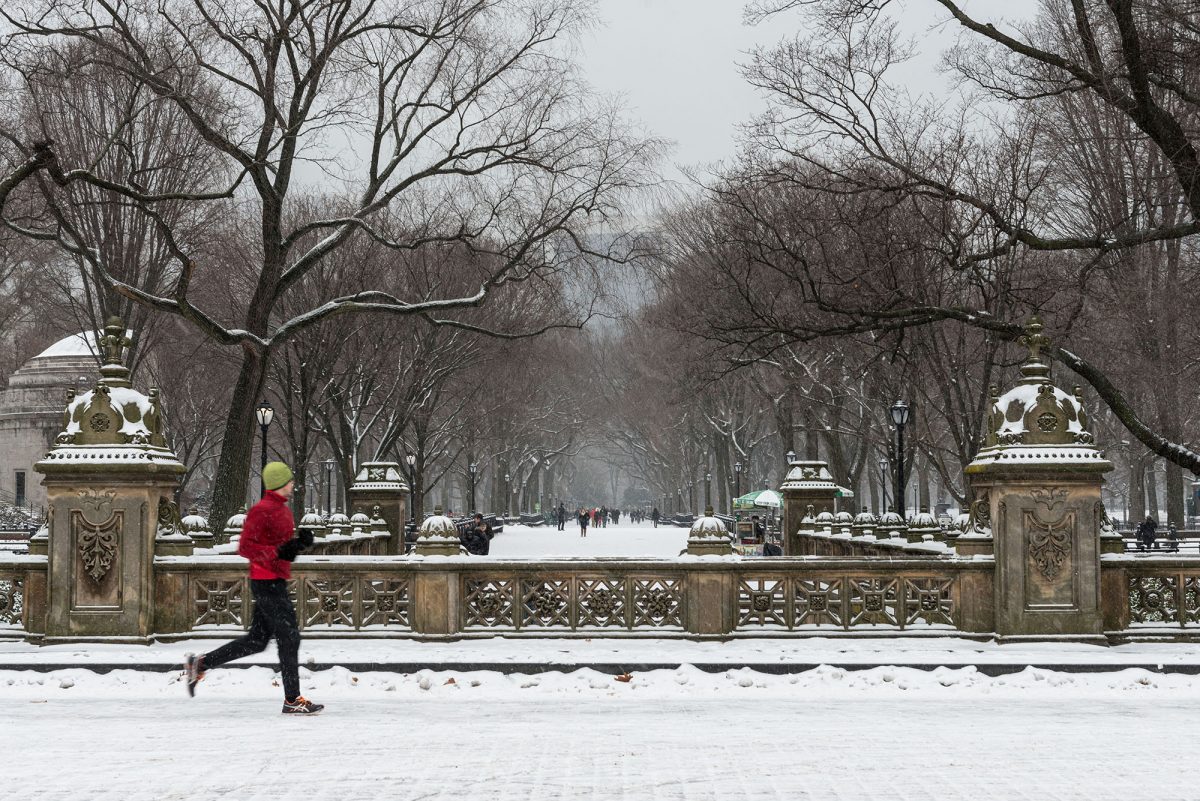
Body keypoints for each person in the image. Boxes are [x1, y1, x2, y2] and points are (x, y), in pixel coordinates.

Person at [184, 461, 323, 714]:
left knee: (257, 641)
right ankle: (292, 699)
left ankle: (201, 663)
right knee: (289, 638)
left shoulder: (283, 511)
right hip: (265, 582)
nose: (293, 483)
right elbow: (246, 548)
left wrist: (298, 544)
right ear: (280, 483)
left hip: (275, 580)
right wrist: (280, 551)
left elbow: (280, 550)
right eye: (289, 480)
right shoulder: (261, 511)